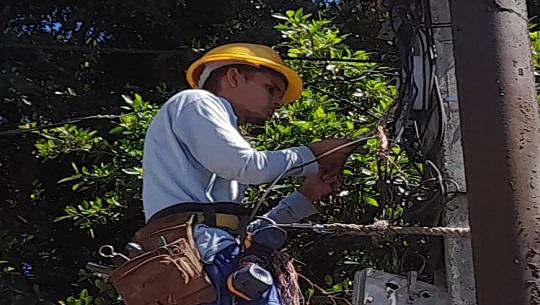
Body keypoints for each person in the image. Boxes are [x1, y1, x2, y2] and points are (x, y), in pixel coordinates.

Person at [135, 43, 352, 305]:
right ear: (234, 77)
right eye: (270, 88)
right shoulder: (196, 101)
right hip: (202, 257)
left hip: (209, 258)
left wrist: (304, 197)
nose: (277, 102)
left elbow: (238, 229)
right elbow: (248, 166)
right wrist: (314, 154)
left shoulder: (217, 138)